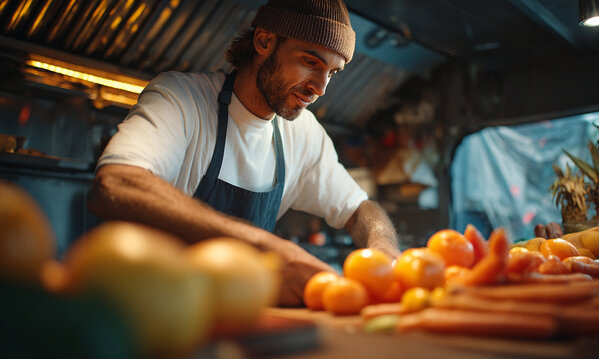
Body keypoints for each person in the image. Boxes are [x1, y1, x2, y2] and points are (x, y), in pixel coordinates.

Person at [88, 0, 400, 306]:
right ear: (265, 41)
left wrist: (383, 248)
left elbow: (361, 209)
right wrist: (264, 246)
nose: (320, 88)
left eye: (333, 72)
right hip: (156, 309)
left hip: (239, 312)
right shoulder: (182, 99)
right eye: (310, 62)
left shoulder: (303, 133)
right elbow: (115, 183)